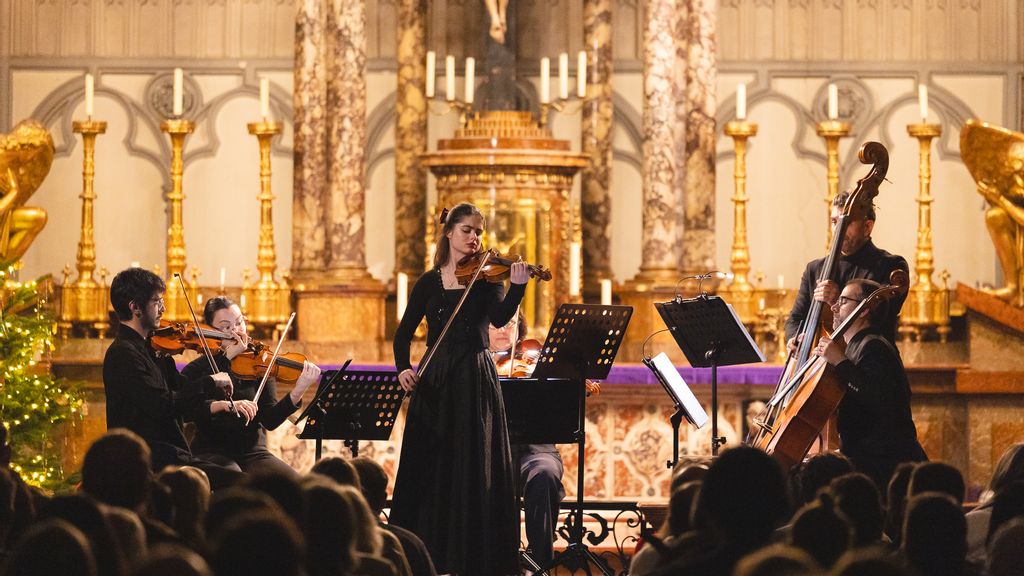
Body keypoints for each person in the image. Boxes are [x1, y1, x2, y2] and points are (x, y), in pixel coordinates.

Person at [391, 203, 530, 575]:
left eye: (479, 232)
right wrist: (403, 368)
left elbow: (500, 319)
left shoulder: (487, 281)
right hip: (435, 377)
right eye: (467, 230)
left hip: (474, 376)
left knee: (471, 464)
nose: (474, 238)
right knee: (432, 464)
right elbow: (403, 334)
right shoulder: (428, 282)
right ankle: (427, 555)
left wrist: (517, 288)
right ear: (449, 233)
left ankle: (471, 558)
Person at [102, 267, 243, 489]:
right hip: (147, 462)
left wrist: (220, 396)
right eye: (157, 302)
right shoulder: (123, 354)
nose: (163, 308)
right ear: (135, 307)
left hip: (172, 454)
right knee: (242, 483)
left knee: (244, 480)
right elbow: (163, 405)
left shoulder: (154, 349)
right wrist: (210, 382)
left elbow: (184, 394)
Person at [180, 296, 321, 477]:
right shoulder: (199, 367)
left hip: (254, 452)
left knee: (295, 485)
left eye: (239, 323)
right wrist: (225, 402)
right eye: (225, 327)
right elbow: (187, 411)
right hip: (212, 450)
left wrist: (298, 390)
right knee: (237, 480)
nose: (236, 331)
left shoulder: (258, 364)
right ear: (209, 330)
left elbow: (269, 420)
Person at [815, 278, 927, 489]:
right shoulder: (853, 347)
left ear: (864, 310)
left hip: (885, 465)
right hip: (867, 459)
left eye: (844, 300)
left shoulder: (874, 346)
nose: (835, 306)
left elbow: (874, 396)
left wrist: (840, 362)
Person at [488, 315, 566, 568]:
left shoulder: (532, 359)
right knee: (491, 476)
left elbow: (560, 390)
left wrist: (570, 384)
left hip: (538, 449)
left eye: (510, 323)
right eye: (496, 323)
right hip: (493, 450)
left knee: (544, 473)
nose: (504, 329)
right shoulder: (474, 362)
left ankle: (540, 559)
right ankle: (499, 559)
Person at [786, 192, 909, 350]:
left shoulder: (890, 266)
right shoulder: (815, 269)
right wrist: (794, 338)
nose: (838, 229)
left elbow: (880, 321)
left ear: (867, 227)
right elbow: (795, 319)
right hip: (819, 366)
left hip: (867, 363)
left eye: (846, 222)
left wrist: (837, 301)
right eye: (834, 221)